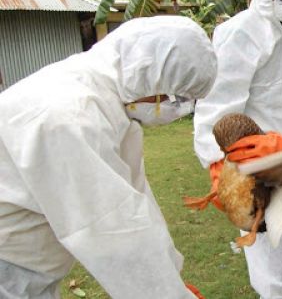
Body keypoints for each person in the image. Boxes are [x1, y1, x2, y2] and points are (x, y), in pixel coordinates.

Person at [0, 16, 216, 299]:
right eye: (176, 98)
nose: (177, 109)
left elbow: (138, 206)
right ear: (150, 75)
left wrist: (173, 278)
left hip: (29, 270)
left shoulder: (111, 108)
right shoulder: (71, 116)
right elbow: (113, 232)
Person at [191, 0, 282, 298]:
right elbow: (218, 103)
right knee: (276, 253)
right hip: (257, 162)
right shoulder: (242, 32)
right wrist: (220, 164)